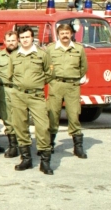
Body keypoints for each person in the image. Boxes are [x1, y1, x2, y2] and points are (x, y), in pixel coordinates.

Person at [6, 26, 52, 174]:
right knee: (20, 126)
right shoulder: (14, 56)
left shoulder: (42, 55)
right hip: (18, 95)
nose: (25, 40)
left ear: (32, 38)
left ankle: (45, 161)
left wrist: (36, 84)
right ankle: (26, 158)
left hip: (36, 95)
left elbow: (50, 74)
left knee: (43, 127)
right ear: (19, 39)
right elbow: (10, 74)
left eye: (28, 37)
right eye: (23, 38)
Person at [47, 21, 90, 159]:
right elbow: (46, 66)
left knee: (74, 115)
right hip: (56, 84)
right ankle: (49, 145)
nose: (64, 36)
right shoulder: (51, 49)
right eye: (62, 33)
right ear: (58, 35)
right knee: (53, 114)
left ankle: (78, 147)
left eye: (67, 33)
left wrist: (74, 78)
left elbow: (83, 67)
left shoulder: (79, 49)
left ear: (71, 34)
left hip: (72, 86)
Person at [0, 31, 21, 158]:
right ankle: (13, 146)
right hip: (3, 90)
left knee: (21, 118)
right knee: (7, 118)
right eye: (8, 40)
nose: (11, 43)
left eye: (13, 40)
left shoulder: (23, 55)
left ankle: (24, 144)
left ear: (18, 41)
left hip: (19, 91)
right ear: (4, 42)